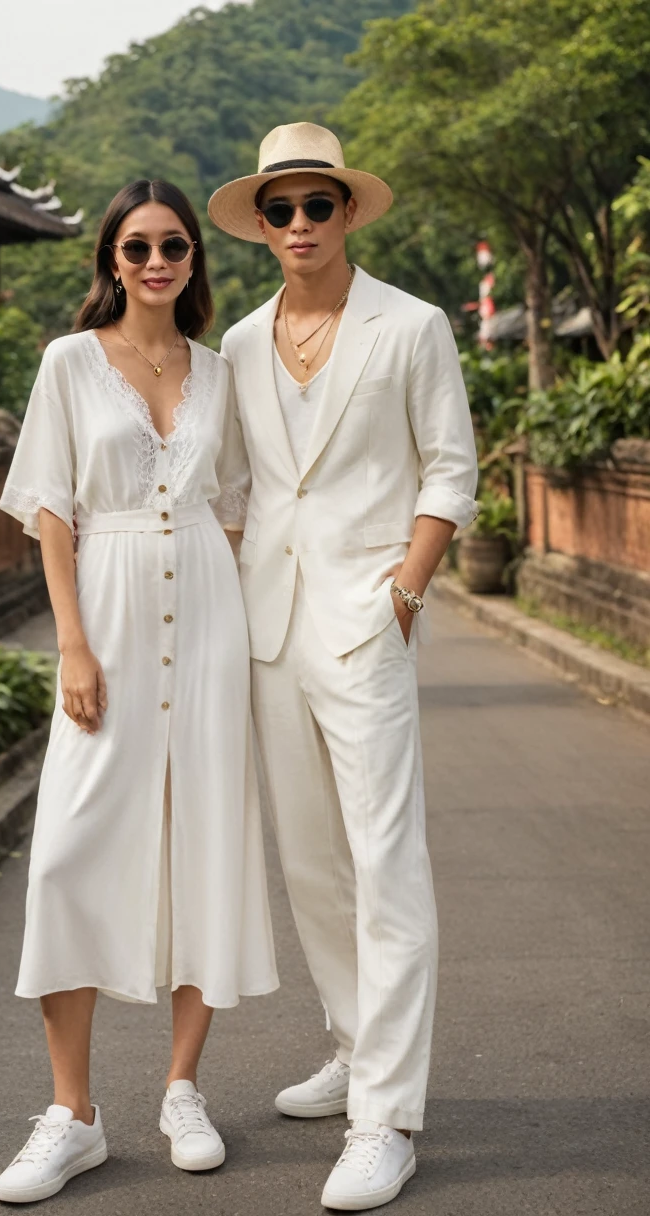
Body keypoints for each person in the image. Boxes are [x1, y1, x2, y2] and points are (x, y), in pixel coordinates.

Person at [208, 123, 479, 1211]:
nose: (301, 224)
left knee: (385, 861)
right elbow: (230, 491)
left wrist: (403, 596)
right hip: (271, 627)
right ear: (261, 223)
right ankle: (351, 1046)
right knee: (312, 865)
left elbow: (449, 472)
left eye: (319, 205)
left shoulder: (411, 327)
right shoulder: (233, 342)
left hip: (369, 621)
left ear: (348, 212)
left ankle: (388, 1115)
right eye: (282, 209)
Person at [0, 179, 277, 1204]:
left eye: (174, 246)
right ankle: (71, 1113)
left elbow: (239, 500)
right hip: (104, 611)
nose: (156, 261)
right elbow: (50, 507)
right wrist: (74, 641)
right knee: (70, 852)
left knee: (206, 838)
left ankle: (182, 1087)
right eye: (136, 246)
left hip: (206, 613)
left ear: (196, 260)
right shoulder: (69, 364)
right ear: (110, 260)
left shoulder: (221, 369)